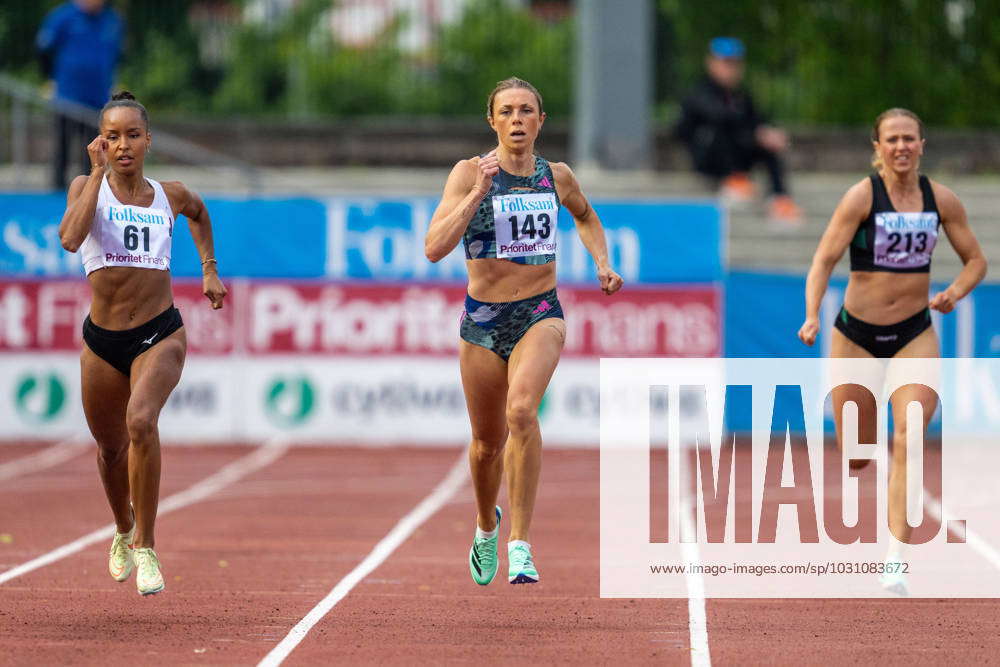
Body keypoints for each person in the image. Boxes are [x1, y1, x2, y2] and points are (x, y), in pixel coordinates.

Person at [425, 77, 623, 585]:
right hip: (482, 323)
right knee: (486, 444)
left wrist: (602, 261)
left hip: (540, 312)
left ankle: (520, 542)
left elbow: (586, 216)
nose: (517, 119)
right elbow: (433, 247)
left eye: (526, 111)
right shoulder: (468, 172)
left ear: (540, 121)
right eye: (507, 111)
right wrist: (476, 195)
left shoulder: (556, 176)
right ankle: (485, 525)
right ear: (492, 121)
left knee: (521, 412)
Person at [798, 108, 986, 595]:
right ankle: (863, 452)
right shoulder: (862, 196)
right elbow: (823, 259)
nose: (901, 146)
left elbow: (977, 260)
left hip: (914, 334)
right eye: (891, 139)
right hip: (856, 337)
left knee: (910, 435)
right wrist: (813, 314)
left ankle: (895, 560)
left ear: (922, 144)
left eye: (909, 138)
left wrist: (955, 292)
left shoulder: (939, 200)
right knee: (858, 455)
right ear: (876, 148)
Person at [58, 91, 227, 595]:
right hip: (103, 340)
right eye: (113, 137)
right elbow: (69, 239)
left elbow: (199, 212)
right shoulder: (86, 188)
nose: (123, 145)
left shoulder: (169, 194)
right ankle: (123, 528)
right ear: (101, 142)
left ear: (148, 140)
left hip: (160, 332)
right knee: (110, 450)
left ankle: (147, 547)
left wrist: (209, 270)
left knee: (140, 422)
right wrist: (91, 176)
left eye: (133, 135)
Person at [675, 37, 802, 224]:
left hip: (739, 154)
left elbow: (758, 120)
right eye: (726, 63)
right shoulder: (699, 92)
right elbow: (717, 118)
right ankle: (733, 179)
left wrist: (768, 134)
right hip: (708, 158)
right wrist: (756, 133)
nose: (730, 69)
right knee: (720, 129)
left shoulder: (741, 96)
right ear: (711, 63)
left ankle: (779, 198)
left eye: (734, 64)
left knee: (766, 143)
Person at [36, 0, 124, 190]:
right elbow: (44, 49)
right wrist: (50, 79)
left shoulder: (111, 20)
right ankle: (57, 191)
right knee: (63, 147)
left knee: (94, 151)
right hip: (68, 96)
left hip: (97, 98)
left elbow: (116, 55)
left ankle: (91, 194)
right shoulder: (63, 16)